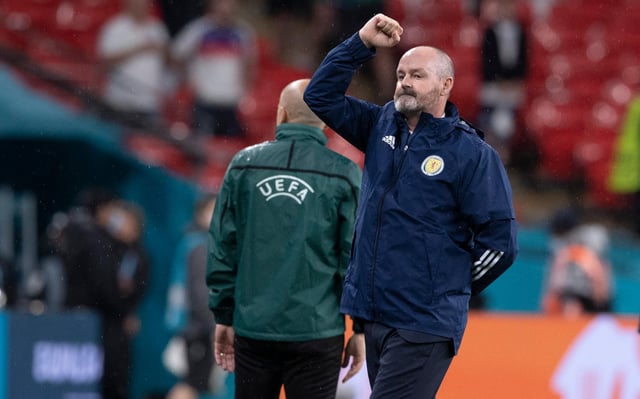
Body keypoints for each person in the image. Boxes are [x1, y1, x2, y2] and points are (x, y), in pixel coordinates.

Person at [304, 13, 518, 398]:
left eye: (417, 75)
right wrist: (361, 43)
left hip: (424, 322)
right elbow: (319, 96)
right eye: (402, 74)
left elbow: (500, 244)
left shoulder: (471, 154)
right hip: (376, 315)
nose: (405, 82)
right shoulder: (380, 125)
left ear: (445, 85)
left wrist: (443, 287)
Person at [206, 78, 365, 399]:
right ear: (324, 120)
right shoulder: (344, 173)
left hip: (253, 329)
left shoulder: (243, 165)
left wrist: (224, 315)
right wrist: (360, 327)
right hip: (318, 331)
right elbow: (355, 258)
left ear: (281, 114)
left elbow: (224, 247)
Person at [50, 192, 150, 399]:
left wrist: (126, 309)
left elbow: (134, 286)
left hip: (112, 323)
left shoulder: (135, 254)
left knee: (114, 379)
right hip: (96, 320)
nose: (118, 222)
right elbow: (101, 284)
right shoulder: (98, 242)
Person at [171, 0, 257, 137]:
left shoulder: (242, 32)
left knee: (232, 147)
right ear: (213, 6)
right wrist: (188, 79)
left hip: (232, 103)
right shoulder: (198, 29)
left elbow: (250, 64)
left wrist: (246, 91)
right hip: (205, 101)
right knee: (202, 147)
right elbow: (176, 56)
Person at [165, 194, 218, 399]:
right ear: (200, 215)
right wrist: (214, 323)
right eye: (212, 211)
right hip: (197, 328)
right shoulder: (200, 245)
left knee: (194, 384)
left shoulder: (195, 241)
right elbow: (200, 293)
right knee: (190, 384)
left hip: (194, 326)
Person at [97, 0, 170, 129]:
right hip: (120, 102)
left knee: (147, 146)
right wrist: (139, 49)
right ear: (127, 5)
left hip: (148, 104)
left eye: (144, 4)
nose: (141, 7)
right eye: (136, 3)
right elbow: (105, 62)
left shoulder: (157, 28)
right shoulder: (115, 27)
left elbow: (167, 62)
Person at [477, 0, 529, 164]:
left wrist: (514, 81)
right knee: (493, 120)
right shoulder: (489, 32)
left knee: (508, 122)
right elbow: (486, 61)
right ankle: (492, 153)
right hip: (493, 85)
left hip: (514, 86)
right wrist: (499, 80)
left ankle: (506, 155)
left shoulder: (521, 32)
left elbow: (524, 59)